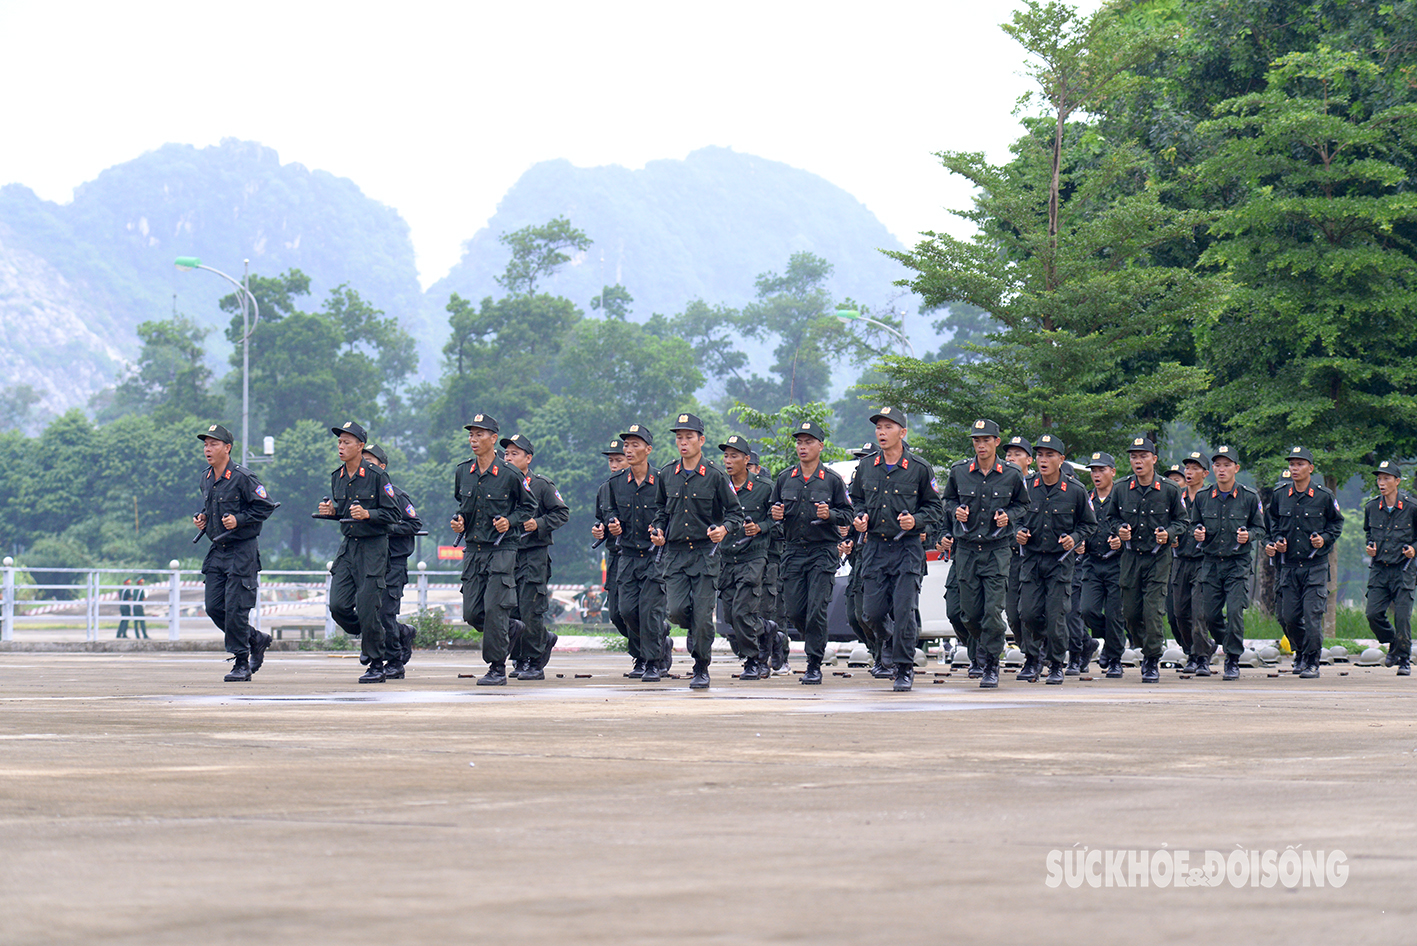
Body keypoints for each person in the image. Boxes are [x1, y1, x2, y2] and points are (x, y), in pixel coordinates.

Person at [852, 407, 944, 692]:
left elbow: (936, 510)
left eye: (888, 427)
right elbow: (856, 501)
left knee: (905, 610)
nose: (882, 432)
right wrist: (860, 516)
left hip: (907, 548)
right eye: (879, 427)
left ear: (902, 433)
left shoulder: (919, 468)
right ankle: (890, 640)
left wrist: (915, 520)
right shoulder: (867, 466)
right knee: (872, 612)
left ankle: (904, 668)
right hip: (875, 548)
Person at [651, 413, 744, 690]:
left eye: (689, 437)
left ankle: (701, 667)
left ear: (701, 440)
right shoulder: (667, 474)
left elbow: (735, 513)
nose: (683, 442)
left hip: (705, 554)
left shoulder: (715, 475)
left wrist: (724, 529)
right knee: (677, 611)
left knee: (704, 616)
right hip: (675, 554)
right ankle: (696, 631)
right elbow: (659, 511)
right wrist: (657, 530)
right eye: (679, 437)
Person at [939, 418, 1028, 689]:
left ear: (996, 442)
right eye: (977, 440)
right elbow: (948, 499)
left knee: (992, 611)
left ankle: (990, 663)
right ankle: (980, 647)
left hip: (997, 550)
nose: (981, 445)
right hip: (966, 550)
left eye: (986, 440)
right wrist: (956, 511)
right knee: (969, 614)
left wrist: (1008, 517)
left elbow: (1023, 505)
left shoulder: (1011, 474)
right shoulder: (960, 471)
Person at [451, 414, 536, 686]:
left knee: (495, 608)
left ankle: (496, 667)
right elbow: (462, 506)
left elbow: (528, 507)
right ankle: (511, 629)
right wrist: (459, 521)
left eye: (479, 434)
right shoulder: (463, 471)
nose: (473, 439)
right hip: (474, 549)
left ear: (493, 438)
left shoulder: (510, 473)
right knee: (473, 613)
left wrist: (509, 521)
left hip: (502, 549)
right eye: (471, 435)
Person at [771, 420, 854, 684]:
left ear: (820, 445)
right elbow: (771, 512)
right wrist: (775, 515)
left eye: (808, 442)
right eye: (799, 442)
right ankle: (816, 643)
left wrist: (830, 514)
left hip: (822, 552)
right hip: (794, 551)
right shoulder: (785, 478)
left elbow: (848, 514)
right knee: (795, 611)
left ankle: (814, 663)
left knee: (816, 609)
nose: (803, 447)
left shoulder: (831, 480)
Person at [193, 423, 277, 682]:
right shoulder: (206, 478)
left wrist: (239, 520)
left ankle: (242, 662)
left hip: (242, 551)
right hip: (218, 550)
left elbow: (265, 507)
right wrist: (204, 519)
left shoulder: (243, 477)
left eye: (214, 444)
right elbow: (212, 509)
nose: (208, 449)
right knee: (214, 607)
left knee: (236, 608)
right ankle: (254, 638)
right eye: (206, 444)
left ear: (227, 448)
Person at [322, 421, 402, 684]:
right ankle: (376, 634)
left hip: (373, 547)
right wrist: (333, 513)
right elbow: (346, 514)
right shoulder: (338, 476)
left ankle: (376, 663)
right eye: (339, 442)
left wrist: (369, 514)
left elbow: (394, 514)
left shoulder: (377, 476)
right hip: (348, 547)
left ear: (360, 446)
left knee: (369, 607)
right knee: (338, 605)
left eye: (346, 442)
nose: (341, 447)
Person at [1106, 436, 1188, 683]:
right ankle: (1144, 644)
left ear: (1154, 459)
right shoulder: (1121, 488)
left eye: (1143, 456)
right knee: (1130, 612)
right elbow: (1110, 518)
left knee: (1153, 610)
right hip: (1130, 557)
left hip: (1158, 558)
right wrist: (1119, 529)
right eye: (1133, 456)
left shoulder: (1170, 489)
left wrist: (1169, 534)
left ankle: (1152, 660)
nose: (1137, 461)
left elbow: (1182, 521)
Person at [1015, 434, 1096, 685]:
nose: (1043, 459)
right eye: (1040, 454)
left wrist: (1075, 537)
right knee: (1027, 613)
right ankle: (1033, 657)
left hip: (1060, 562)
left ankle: (1056, 663)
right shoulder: (1026, 486)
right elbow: (1013, 514)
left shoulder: (1075, 490)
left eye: (1050, 455)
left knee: (1056, 614)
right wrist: (1017, 530)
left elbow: (1089, 525)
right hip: (1031, 560)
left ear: (1061, 459)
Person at [1265, 446, 1344, 679]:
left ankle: (1312, 661)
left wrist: (1324, 539)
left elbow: (1336, 525)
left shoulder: (1324, 495)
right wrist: (1276, 541)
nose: (1295, 468)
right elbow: (1272, 525)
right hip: (1288, 567)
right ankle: (1301, 651)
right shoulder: (1280, 495)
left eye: (1300, 464)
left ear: (1310, 468)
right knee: (1287, 617)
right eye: (1292, 464)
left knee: (1312, 616)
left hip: (1315, 566)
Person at [1191, 446, 1266, 680]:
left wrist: (1249, 537)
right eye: (1217, 465)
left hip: (1237, 564)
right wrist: (1198, 533)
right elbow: (1194, 524)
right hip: (1211, 563)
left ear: (1236, 468)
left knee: (1235, 612)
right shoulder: (1203, 497)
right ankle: (1224, 642)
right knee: (1210, 615)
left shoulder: (1249, 496)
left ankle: (1232, 659)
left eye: (1226, 465)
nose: (1221, 469)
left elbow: (1260, 529)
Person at [500, 434, 571, 681]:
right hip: (507, 554)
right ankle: (521, 657)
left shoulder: (541, 485)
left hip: (533, 555)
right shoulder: (501, 483)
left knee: (531, 608)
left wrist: (538, 523)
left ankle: (533, 660)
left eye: (514, 454)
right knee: (511, 609)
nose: (508, 458)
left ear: (528, 458)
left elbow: (561, 513)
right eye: (506, 453)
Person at [607, 424, 669, 680]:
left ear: (648, 449)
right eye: (626, 445)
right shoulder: (616, 483)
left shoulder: (663, 480)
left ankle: (652, 662)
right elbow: (609, 511)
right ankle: (652, 647)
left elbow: (670, 512)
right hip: (628, 556)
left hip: (655, 557)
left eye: (635, 445)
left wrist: (663, 530)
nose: (628, 450)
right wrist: (612, 523)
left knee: (649, 611)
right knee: (626, 611)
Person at [361, 443, 423, 677]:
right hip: (368, 561)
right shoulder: (360, 495)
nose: (366, 466)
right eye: (363, 461)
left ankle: (395, 660)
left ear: (382, 467)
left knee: (385, 612)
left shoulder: (394, 494)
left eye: (372, 462)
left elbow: (414, 523)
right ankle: (399, 634)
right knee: (366, 611)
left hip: (392, 562)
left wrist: (386, 527)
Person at [718, 434, 775, 679]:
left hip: (754, 556)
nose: (728, 461)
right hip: (727, 558)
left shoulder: (764, 488)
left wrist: (761, 526)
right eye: (726, 456)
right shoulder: (718, 487)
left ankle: (752, 660)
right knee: (731, 615)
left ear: (747, 459)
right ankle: (766, 630)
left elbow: (779, 520)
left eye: (734, 456)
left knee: (742, 611)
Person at [1363, 460, 1416, 676]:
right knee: (1372, 613)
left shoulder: (1412, 507)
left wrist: (1413, 549)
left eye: (1386, 478)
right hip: (1380, 569)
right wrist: (1370, 547)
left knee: (1402, 617)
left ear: (1397, 481)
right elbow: (1368, 532)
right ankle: (1393, 642)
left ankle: (1403, 659)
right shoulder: (1371, 507)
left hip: (1404, 569)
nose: (1381, 483)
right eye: (1379, 478)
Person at [1078, 453, 1121, 676]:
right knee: (1087, 610)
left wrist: (1121, 540)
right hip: (1092, 563)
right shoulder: (1086, 499)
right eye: (1093, 471)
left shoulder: (1121, 497)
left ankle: (1114, 658)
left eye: (1102, 470)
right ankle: (1111, 639)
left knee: (1115, 614)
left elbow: (1130, 526)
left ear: (1112, 472)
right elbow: (1080, 525)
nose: (1097, 475)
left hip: (1117, 564)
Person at [1173, 452, 1213, 674]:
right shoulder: (1176, 496)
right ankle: (1192, 651)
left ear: (1205, 473)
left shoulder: (1210, 497)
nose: (1189, 472)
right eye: (1187, 467)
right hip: (1179, 560)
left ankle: (1201, 657)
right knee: (1179, 613)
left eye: (1195, 468)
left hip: (1202, 561)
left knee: (1199, 612)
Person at [591, 440, 632, 658]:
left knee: (636, 611)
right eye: (611, 461)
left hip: (641, 555)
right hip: (616, 556)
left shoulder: (646, 485)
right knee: (616, 614)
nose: (614, 465)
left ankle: (647, 655)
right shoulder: (604, 490)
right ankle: (653, 642)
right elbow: (602, 520)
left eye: (619, 460)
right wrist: (600, 531)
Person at [1003, 436, 1034, 660]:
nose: (1011, 458)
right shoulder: (1000, 484)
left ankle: (1035, 654)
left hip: (1034, 556)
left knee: (1031, 611)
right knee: (1013, 614)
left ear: (1029, 460)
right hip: (1009, 556)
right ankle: (1028, 650)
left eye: (1017, 454)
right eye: (1009, 454)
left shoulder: (1037, 485)